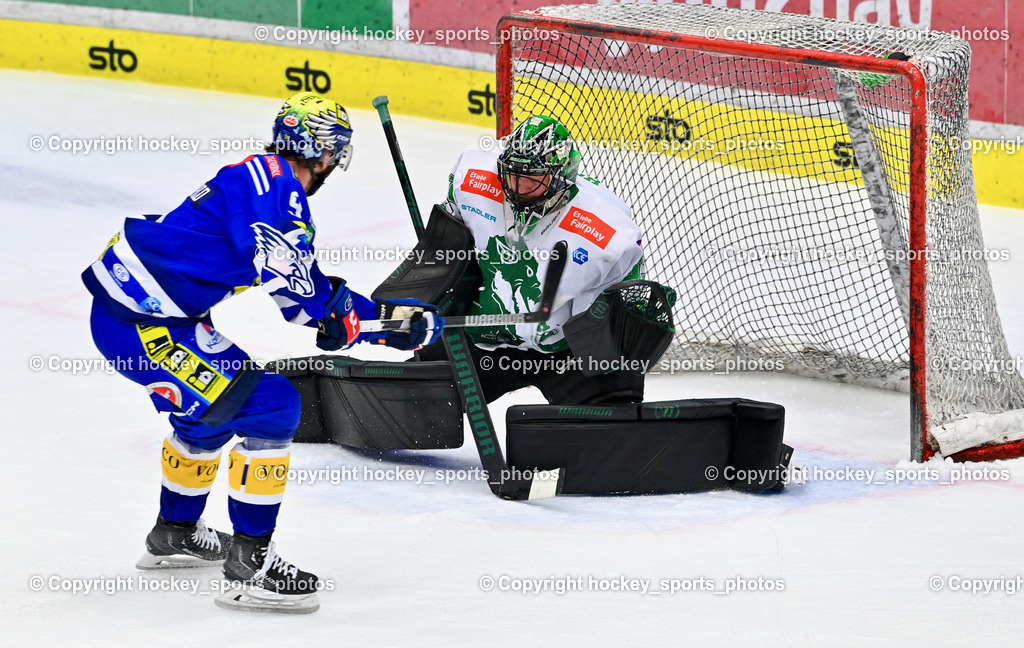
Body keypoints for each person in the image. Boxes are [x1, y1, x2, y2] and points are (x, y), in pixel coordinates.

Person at [81, 92, 443, 613]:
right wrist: (374, 327)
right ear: (320, 152)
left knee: (212, 414)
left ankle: (174, 535)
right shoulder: (279, 195)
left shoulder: (260, 174)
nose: (333, 164)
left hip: (148, 317)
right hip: (142, 327)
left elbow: (309, 288)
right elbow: (298, 299)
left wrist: (380, 319)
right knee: (270, 404)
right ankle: (252, 567)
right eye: (333, 152)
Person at [421, 115, 648, 405]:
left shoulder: (608, 230)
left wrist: (618, 337)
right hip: (484, 339)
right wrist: (438, 287)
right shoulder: (473, 182)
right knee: (418, 399)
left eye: (532, 179)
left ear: (561, 176)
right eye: (512, 175)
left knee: (607, 421)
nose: (517, 187)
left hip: (566, 356)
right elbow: (446, 246)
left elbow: (630, 309)